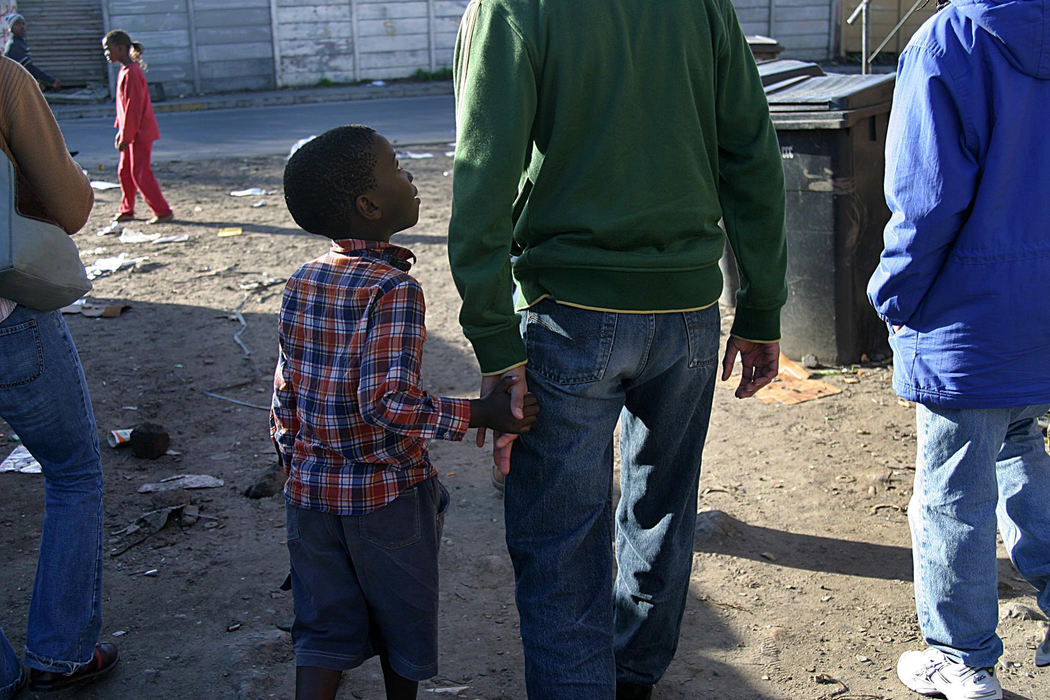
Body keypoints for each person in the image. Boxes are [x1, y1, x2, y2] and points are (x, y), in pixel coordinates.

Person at [449, 0, 788, 697]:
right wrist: (760, 304)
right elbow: (752, 152)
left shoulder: (513, 8)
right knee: (663, 508)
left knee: (560, 536)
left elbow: (483, 168)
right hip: (689, 313)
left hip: (570, 312)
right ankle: (631, 677)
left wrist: (492, 339)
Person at [272, 124, 539, 700]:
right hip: (387, 495)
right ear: (370, 205)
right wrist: (479, 414)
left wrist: (298, 467)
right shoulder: (393, 289)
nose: (410, 175)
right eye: (397, 166)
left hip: (311, 495)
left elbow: (284, 396)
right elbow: (387, 405)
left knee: (322, 629)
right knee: (403, 623)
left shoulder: (303, 280)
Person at [867, 2, 1050, 699]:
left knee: (950, 493)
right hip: (1041, 307)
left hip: (969, 315)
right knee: (1017, 442)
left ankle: (962, 658)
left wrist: (892, 297)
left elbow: (927, 198)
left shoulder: (949, 41)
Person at [0, 57, 118, 699]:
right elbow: (71, 208)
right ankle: (61, 652)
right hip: (7, 321)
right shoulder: (2, 79)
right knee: (72, 474)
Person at [102, 29, 173, 225]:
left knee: (140, 173)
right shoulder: (125, 71)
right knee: (124, 171)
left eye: (108, 49)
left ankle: (163, 211)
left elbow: (133, 109)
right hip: (130, 131)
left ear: (121, 48)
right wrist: (121, 131)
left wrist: (126, 137)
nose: (106, 53)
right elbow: (124, 109)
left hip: (139, 132)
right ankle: (127, 209)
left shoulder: (132, 73)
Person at [3, 14, 60, 91]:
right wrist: (51, 80)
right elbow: (28, 67)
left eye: (22, 23)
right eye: (17, 24)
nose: (22, 26)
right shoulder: (14, 44)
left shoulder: (20, 42)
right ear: (11, 28)